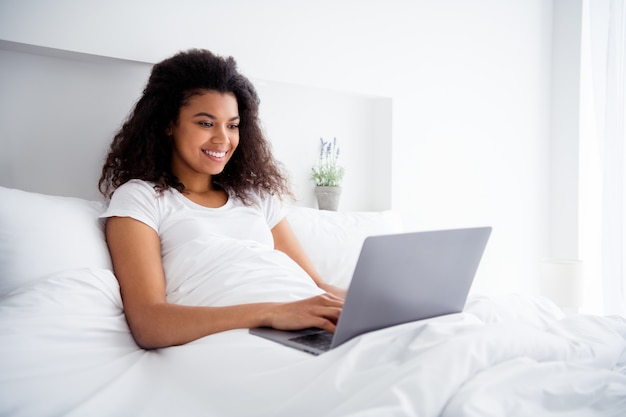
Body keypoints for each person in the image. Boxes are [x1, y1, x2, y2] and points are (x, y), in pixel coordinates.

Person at [98, 49, 345, 349]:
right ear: (168, 123)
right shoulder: (140, 198)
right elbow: (149, 323)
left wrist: (373, 303)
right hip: (246, 334)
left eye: (232, 125)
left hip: (306, 323)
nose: (223, 139)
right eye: (205, 123)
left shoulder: (256, 197)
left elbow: (317, 286)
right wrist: (272, 313)